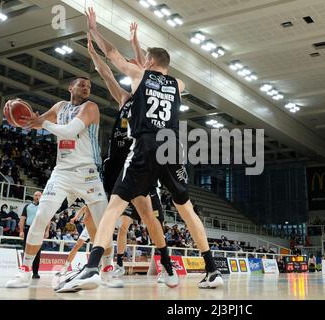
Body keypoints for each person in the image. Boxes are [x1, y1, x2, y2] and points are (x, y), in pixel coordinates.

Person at [55, 8, 223, 292]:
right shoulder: (178, 84)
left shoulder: (138, 74)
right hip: (172, 147)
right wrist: (137, 46)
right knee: (187, 210)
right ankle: (212, 269)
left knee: (114, 207)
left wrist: (95, 29)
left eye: (144, 58)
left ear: (148, 61)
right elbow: (155, 70)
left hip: (146, 145)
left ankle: (93, 266)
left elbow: (112, 55)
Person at [5, 75, 110, 288]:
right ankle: (24, 271)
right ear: (71, 87)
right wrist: (25, 118)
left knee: (103, 225)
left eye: (89, 86)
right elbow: (37, 123)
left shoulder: (91, 107)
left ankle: (107, 270)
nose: (86, 87)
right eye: (81, 84)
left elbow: (70, 131)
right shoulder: (60, 106)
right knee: (41, 217)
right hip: (61, 172)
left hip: (88, 172)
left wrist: (43, 123)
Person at [86, 29, 167, 280]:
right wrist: (92, 53)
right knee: (96, 214)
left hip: (138, 160)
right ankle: (104, 262)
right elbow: (106, 73)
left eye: (137, 65)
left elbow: (145, 67)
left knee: (147, 216)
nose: (133, 68)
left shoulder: (149, 91)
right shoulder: (125, 99)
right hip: (115, 163)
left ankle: (165, 263)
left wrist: (135, 46)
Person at [18, 191, 46, 279]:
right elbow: (22, 219)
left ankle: (35, 273)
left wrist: (47, 231)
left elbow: (47, 220)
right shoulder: (27, 206)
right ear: (33, 197)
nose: (37, 196)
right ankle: (25, 271)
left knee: (37, 252)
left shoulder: (44, 207)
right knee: (26, 250)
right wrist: (21, 231)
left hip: (39, 230)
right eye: (36, 195)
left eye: (39, 195)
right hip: (28, 229)